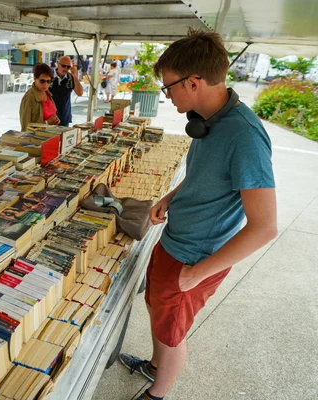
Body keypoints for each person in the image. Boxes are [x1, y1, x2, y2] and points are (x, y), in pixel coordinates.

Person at [117, 29, 277, 400]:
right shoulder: (211, 120)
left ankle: (156, 393)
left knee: (172, 333)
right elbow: (206, 176)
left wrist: (198, 272)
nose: (166, 94)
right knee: (158, 313)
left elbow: (265, 227)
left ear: (193, 81)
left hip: (195, 257)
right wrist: (172, 197)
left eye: (168, 86)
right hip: (175, 242)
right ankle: (155, 367)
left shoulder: (245, 136)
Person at [19, 63, 60, 131]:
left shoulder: (48, 94)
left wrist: (55, 120)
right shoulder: (29, 97)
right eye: (42, 81)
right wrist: (47, 123)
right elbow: (25, 127)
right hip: (37, 139)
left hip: (51, 135)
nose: (45, 84)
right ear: (35, 78)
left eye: (48, 81)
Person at [48, 56, 84, 127]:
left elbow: (80, 93)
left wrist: (75, 76)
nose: (65, 69)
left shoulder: (70, 78)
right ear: (58, 64)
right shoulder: (49, 76)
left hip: (64, 117)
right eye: (63, 66)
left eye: (68, 67)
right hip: (49, 116)